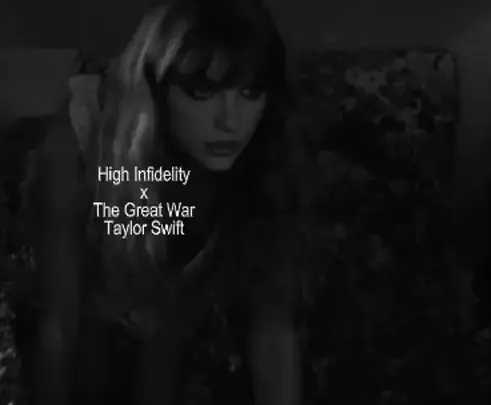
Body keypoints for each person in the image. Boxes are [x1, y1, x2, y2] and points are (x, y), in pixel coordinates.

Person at [31, 0, 304, 404]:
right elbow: (57, 326)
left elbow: (273, 329)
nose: (230, 121)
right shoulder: (78, 145)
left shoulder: (266, 154)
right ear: (155, 87)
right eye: (202, 92)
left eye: (250, 92)